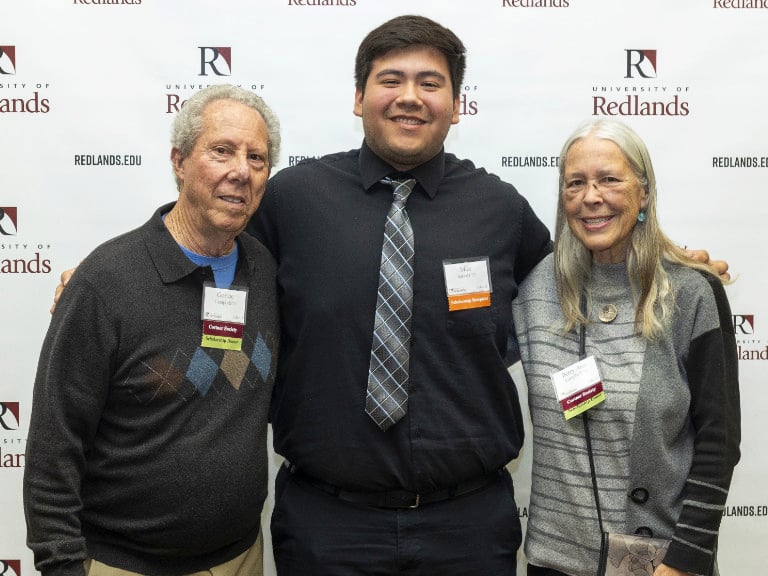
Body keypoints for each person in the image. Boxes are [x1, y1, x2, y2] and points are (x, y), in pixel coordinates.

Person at [47, 16, 730, 576]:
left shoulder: (498, 208)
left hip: (469, 527)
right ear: (358, 97)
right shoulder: (292, 199)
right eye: (390, 80)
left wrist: (670, 264)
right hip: (326, 525)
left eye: (430, 83)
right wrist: (111, 274)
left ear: (456, 105)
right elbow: (205, 234)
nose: (410, 97)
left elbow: (583, 272)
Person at [24, 84, 281, 576]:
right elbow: (56, 443)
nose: (241, 171)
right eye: (222, 151)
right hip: (122, 564)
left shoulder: (266, 272)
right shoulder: (106, 282)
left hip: (240, 558)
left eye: (257, 158)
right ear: (179, 161)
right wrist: (61, 564)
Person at [512, 119, 740, 576]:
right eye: (575, 183)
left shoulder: (690, 292)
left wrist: (686, 559)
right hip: (552, 561)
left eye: (610, 180)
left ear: (644, 193)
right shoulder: (534, 288)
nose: (591, 196)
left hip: (657, 562)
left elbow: (719, 439)